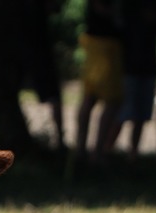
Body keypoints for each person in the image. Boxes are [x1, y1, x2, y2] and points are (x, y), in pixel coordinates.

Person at [113, 0, 156, 162]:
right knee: (122, 112)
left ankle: (132, 155)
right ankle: (105, 152)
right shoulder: (128, 6)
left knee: (141, 115)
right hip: (128, 64)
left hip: (148, 64)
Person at [73, 0, 125, 167]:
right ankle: (96, 153)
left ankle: (85, 150)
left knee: (92, 97)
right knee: (110, 101)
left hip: (99, 42)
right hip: (104, 44)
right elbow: (100, 6)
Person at [17, 0, 67, 153]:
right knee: (54, 96)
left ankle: (59, 140)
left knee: (54, 96)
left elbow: (55, 7)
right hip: (30, 46)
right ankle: (59, 139)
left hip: (34, 45)